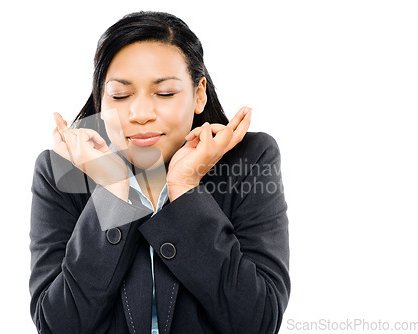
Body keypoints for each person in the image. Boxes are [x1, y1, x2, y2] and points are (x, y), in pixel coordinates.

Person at [29, 10, 290, 334]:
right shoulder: (61, 173)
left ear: (199, 94)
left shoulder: (250, 160)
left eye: (165, 93)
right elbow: (57, 327)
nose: (140, 114)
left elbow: (258, 323)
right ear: (100, 100)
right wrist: (113, 191)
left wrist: (186, 187)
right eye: (120, 95)